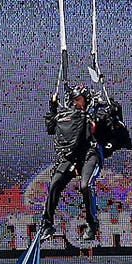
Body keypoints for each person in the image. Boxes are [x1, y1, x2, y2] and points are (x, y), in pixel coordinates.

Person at [40, 84, 100, 240]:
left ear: (86, 99)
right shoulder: (67, 116)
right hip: (71, 156)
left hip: (88, 154)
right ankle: (47, 224)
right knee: (55, 183)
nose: (75, 103)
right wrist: (53, 108)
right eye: (73, 100)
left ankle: (92, 224)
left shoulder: (94, 112)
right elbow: (51, 128)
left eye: (78, 99)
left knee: (85, 186)